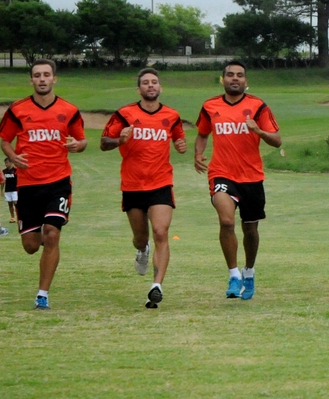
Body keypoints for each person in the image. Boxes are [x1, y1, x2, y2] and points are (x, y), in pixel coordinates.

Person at [0, 59, 87, 310]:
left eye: (47, 74)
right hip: (27, 184)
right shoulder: (18, 109)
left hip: (58, 181)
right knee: (31, 245)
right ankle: (39, 247)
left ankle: (42, 294)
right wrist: (13, 156)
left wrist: (77, 145)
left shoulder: (69, 110)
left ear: (54, 79)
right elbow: (4, 140)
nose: (42, 79)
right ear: (31, 80)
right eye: (37, 75)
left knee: (52, 233)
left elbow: (82, 141)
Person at [194, 60, 281, 301]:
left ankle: (249, 272)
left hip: (251, 176)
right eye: (230, 75)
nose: (235, 78)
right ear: (223, 79)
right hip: (221, 173)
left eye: (240, 75)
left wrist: (259, 132)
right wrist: (198, 154)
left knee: (250, 229)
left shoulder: (258, 106)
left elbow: (277, 140)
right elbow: (202, 133)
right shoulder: (210, 106)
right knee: (226, 221)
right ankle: (234, 274)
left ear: (246, 81)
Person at [102, 68, 187, 308]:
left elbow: (179, 138)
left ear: (160, 88)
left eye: (154, 82)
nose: (151, 86)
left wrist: (181, 145)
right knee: (141, 237)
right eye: (146, 83)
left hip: (160, 183)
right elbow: (103, 143)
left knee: (161, 232)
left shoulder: (171, 115)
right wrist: (120, 140)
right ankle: (142, 250)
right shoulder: (124, 114)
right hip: (132, 185)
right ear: (138, 89)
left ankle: (156, 285)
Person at [2, 157, 18, 223]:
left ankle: (18, 216)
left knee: (16, 203)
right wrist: (1, 190)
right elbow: (3, 181)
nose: (6, 164)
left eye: (7, 163)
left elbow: (18, 180)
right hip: (7, 190)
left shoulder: (15, 170)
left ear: (11, 163)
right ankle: (12, 217)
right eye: (5, 163)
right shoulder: (4, 171)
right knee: (10, 204)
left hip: (15, 190)